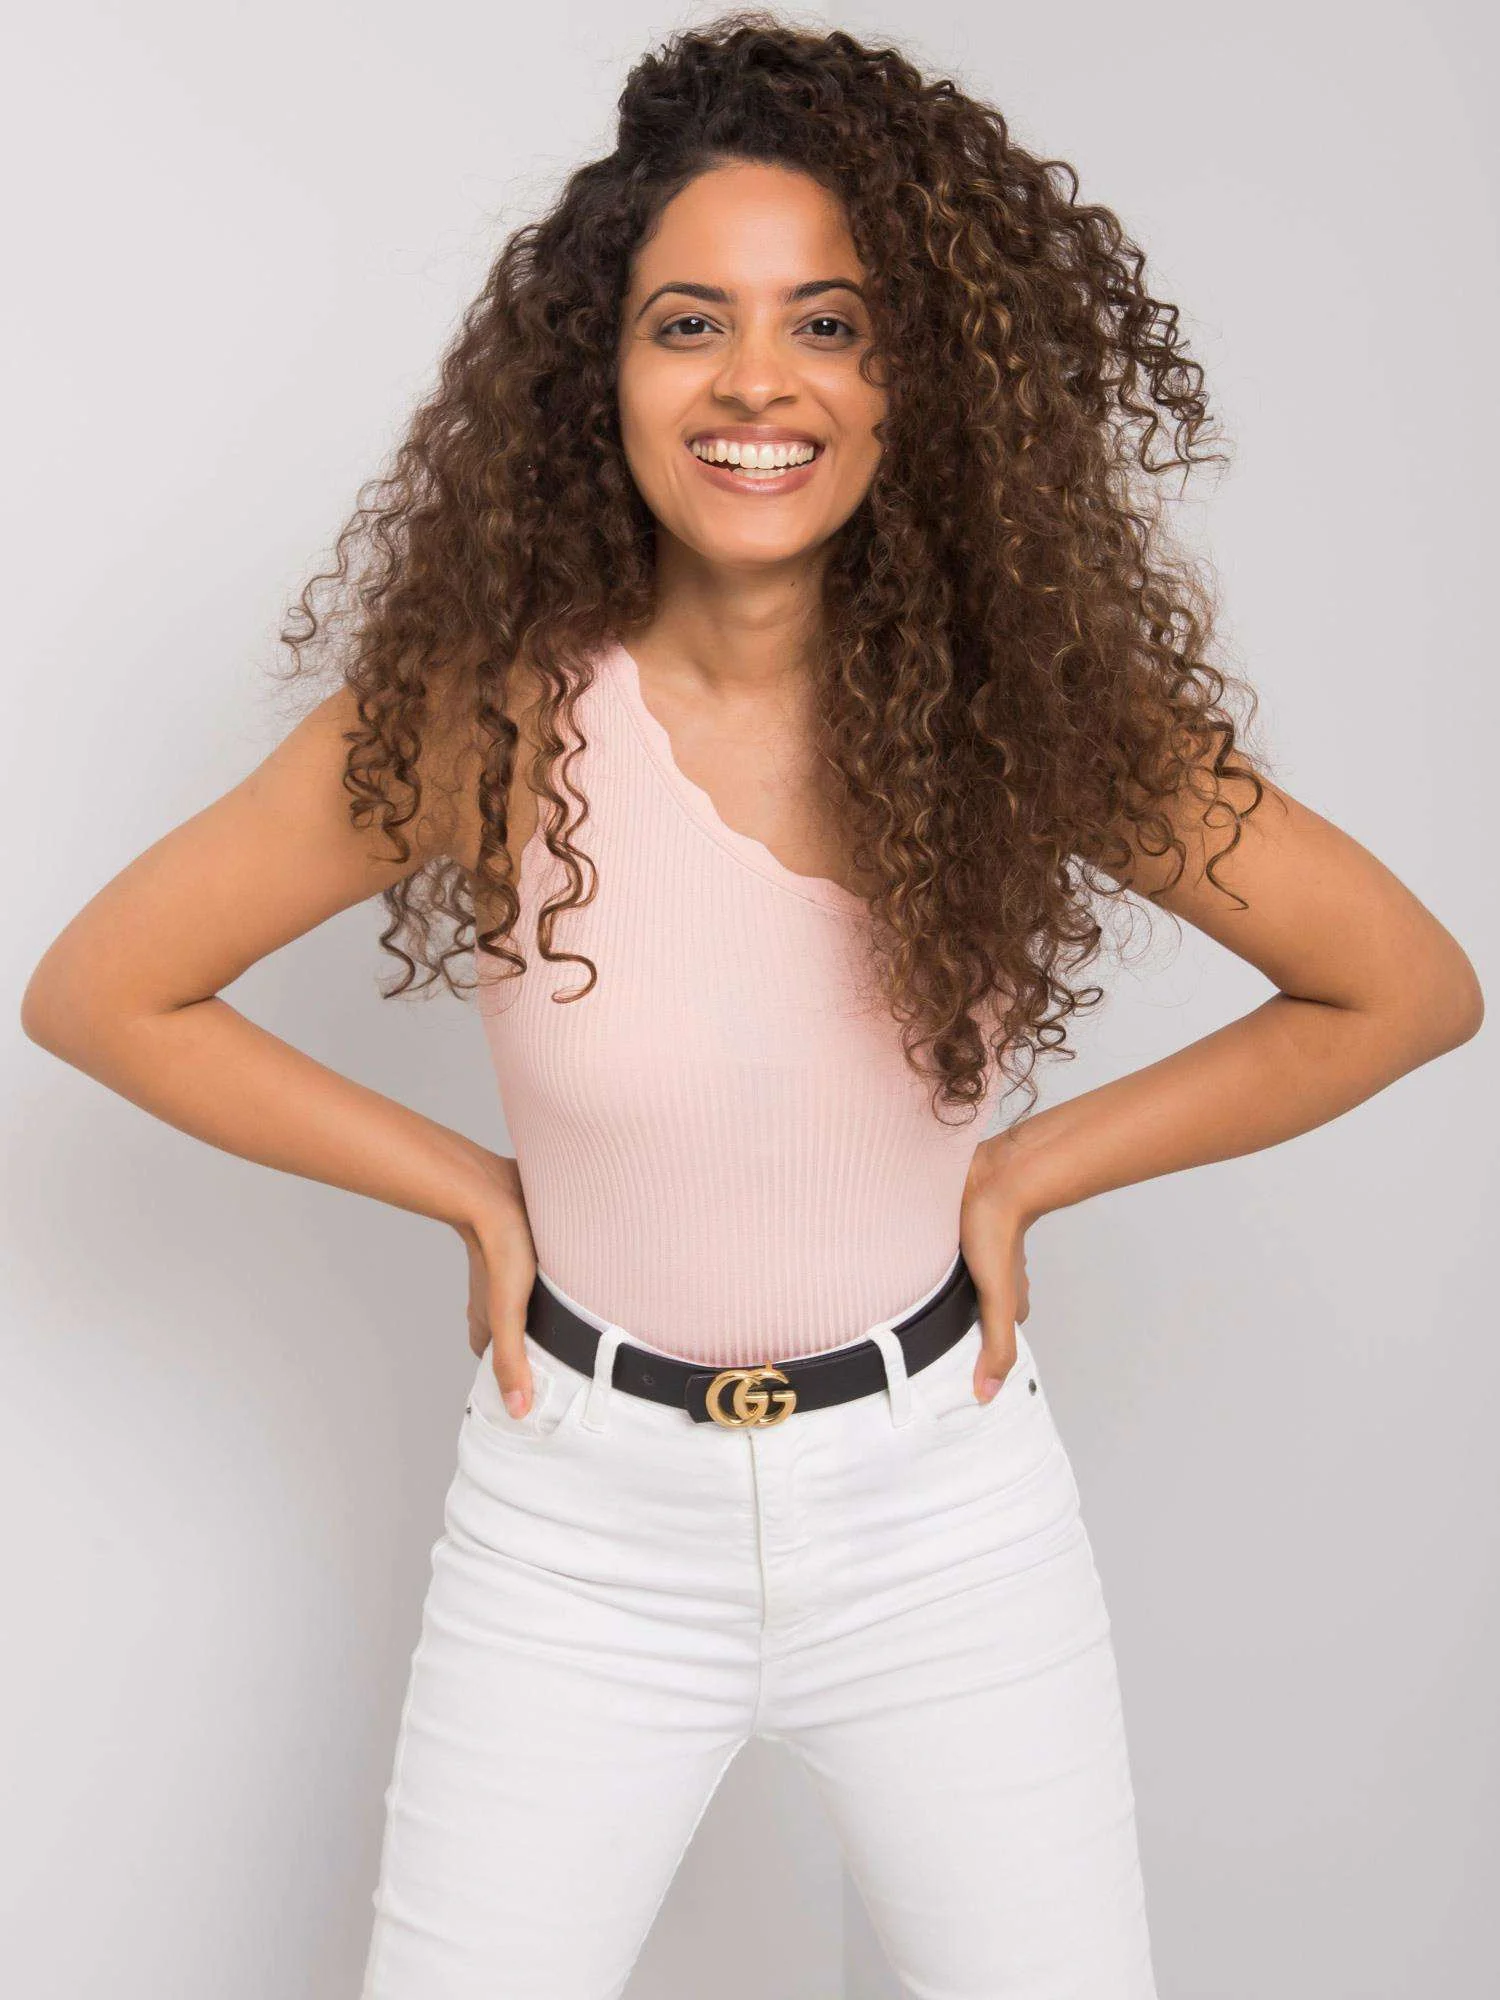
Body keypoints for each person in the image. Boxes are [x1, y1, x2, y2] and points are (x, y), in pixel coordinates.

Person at [20, 12, 1484, 1998]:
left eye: (831, 325)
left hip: (945, 1518)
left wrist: (1029, 1171)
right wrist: (472, 1194)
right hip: (576, 1532)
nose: (757, 383)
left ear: (912, 380)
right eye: (688, 323)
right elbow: (105, 989)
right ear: (602, 375)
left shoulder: (1022, 713)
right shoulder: (488, 717)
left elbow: (1400, 984)